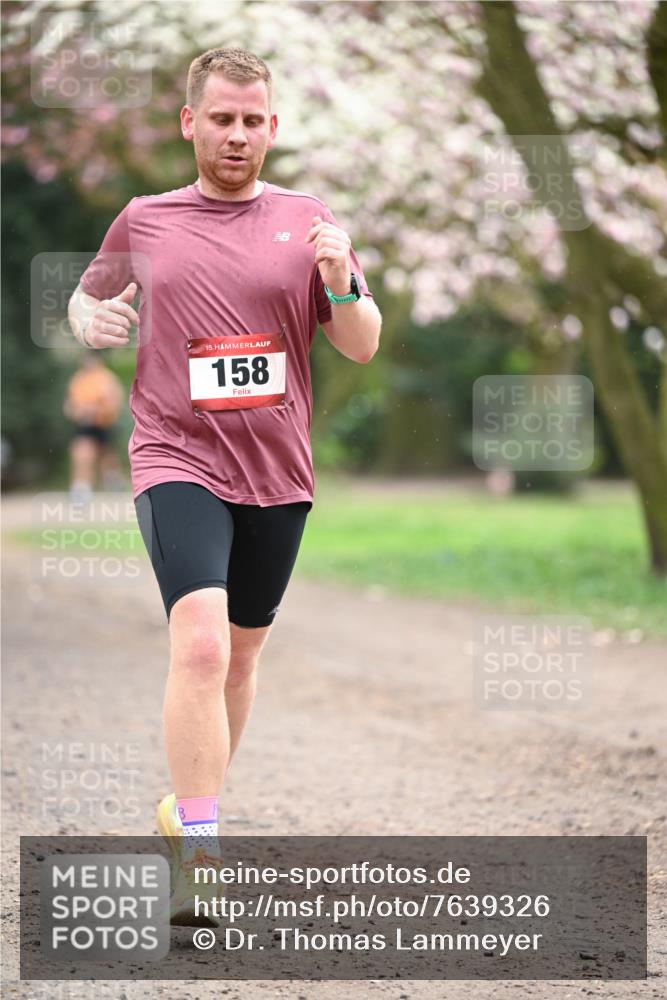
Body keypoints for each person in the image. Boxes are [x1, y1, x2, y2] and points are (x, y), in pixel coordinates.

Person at [67, 47, 382, 925]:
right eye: (221, 119)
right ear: (190, 123)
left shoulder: (309, 221)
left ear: (272, 127)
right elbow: (87, 301)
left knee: (240, 657)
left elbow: (361, 343)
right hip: (176, 456)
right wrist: (90, 318)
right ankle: (201, 857)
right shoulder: (147, 218)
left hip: (277, 470)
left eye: (252, 120)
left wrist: (340, 281)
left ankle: (186, 809)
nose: (237, 135)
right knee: (201, 646)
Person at [63, 352, 125, 502]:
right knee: (82, 452)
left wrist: (98, 410)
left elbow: (114, 402)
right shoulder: (78, 379)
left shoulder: (106, 378)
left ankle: (113, 482)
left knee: (106, 456)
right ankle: (81, 488)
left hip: (104, 423)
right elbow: (69, 404)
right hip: (85, 425)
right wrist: (78, 412)